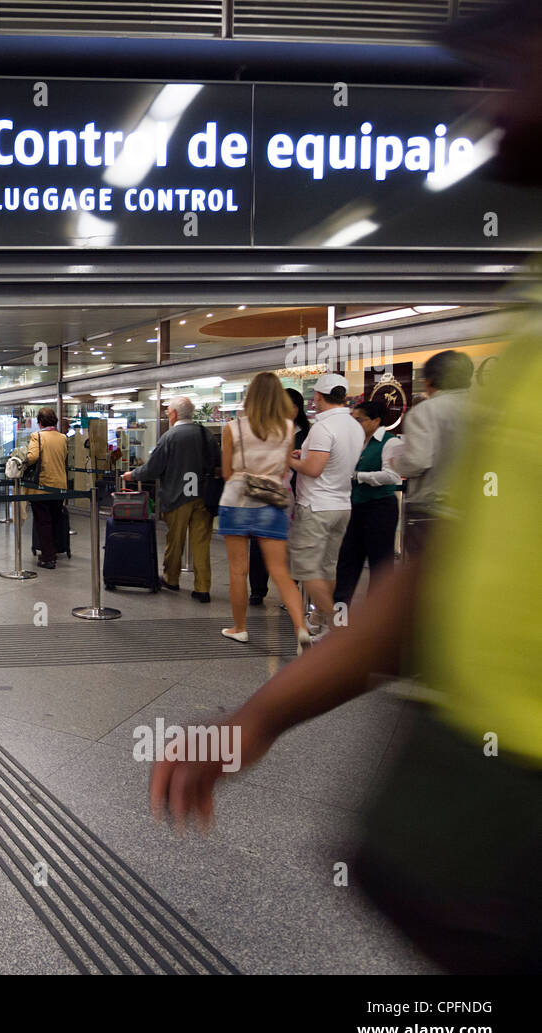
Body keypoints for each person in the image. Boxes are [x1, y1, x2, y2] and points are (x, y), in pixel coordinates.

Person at [152, 0, 542, 975]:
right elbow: (431, 578)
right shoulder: (529, 332)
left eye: (509, 54)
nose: (484, 94)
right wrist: (257, 718)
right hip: (479, 813)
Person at [214, 372, 310, 649]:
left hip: (237, 500)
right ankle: (301, 628)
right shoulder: (288, 429)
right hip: (271, 500)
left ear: (249, 397)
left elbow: (228, 471)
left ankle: (240, 628)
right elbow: (283, 470)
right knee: (280, 570)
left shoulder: (232, 428)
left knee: (237, 570)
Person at [287, 374, 365, 634]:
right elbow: (334, 459)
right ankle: (320, 620)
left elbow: (313, 469)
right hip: (342, 505)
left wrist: (291, 460)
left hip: (316, 506)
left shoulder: (322, 426)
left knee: (306, 568)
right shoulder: (354, 425)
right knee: (328, 567)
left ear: (318, 397)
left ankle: (334, 626)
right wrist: (305, 454)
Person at [123, 396, 214, 601]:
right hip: (203, 497)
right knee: (201, 543)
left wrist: (133, 475)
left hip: (177, 497)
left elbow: (153, 468)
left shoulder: (170, 437)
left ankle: (172, 579)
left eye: (167, 412)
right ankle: (202, 587)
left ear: (173, 414)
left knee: (175, 540)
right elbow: (216, 460)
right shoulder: (204, 433)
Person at [391, 349, 474, 554]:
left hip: (433, 512)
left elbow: (418, 461)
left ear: (429, 381)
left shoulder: (425, 411)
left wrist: (396, 462)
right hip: (476, 510)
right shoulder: (487, 409)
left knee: (427, 580)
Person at [333, 400, 402, 609]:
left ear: (376, 421)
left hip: (380, 508)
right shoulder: (355, 443)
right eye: (353, 419)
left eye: (359, 419)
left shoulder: (391, 443)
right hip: (355, 508)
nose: (355, 424)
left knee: (380, 566)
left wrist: (358, 476)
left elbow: (392, 476)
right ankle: (339, 623)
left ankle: (376, 624)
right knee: (347, 565)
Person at [249, 388, 309, 606]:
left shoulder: (307, 435)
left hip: (295, 496)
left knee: (291, 545)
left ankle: (290, 590)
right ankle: (257, 589)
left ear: (295, 409)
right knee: (259, 544)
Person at [25, 407, 69, 570]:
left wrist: (22, 458)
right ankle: (54, 549)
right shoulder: (63, 438)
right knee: (55, 519)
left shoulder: (37, 437)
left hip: (42, 485)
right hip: (60, 484)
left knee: (43, 521)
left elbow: (33, 457)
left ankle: (48, 557)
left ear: (40, 422)